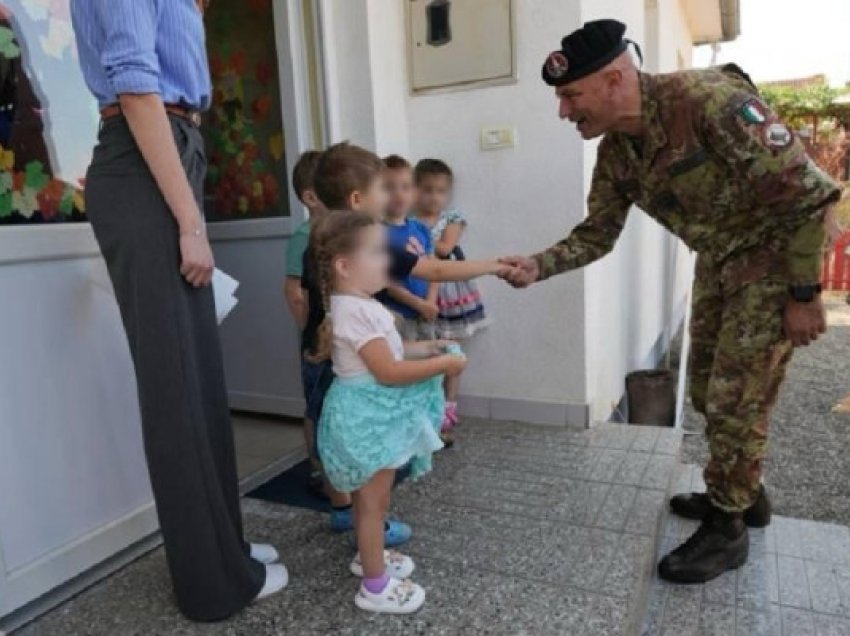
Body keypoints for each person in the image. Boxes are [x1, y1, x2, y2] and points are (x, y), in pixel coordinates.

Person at [501, 19, 840, 584]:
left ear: (612, 80)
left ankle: (728, 527)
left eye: (570, 96)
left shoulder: (707, 100)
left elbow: (807, 195)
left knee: (738, 398)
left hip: (778, 255)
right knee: (707, 387)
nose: (564, 112)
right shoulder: (617, 154)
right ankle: (742, 492)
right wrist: (539, 266)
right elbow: (596, 234)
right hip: (722, 258)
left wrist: (804, 294)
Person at [70, 0, 286, 621]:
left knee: (199, 382)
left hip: (165, 152)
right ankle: (212, 585)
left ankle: (227, 550)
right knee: (176, 389)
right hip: (144, 159)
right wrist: (189, 221)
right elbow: (137, 87)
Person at [301, 142, 508, 543]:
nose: (393, 197)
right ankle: (366, 528)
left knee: (341, 436)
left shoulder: (327, 235)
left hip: (337, 343)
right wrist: (495, 266)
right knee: (361, 444)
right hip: (351, 350)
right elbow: (430, 268)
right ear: (359, 198)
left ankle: (350, 513)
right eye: (383, 187)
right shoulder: (356, 243)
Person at [310, 210, 466, 613]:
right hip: (369, 418)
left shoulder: (357, 305)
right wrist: (444, 365)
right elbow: (390, 371)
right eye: (379, 251)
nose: (389, 260)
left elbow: (390, 353)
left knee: (370, 498)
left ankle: (370, 556)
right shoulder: (359, 311)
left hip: (365, 414)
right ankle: (375, 586)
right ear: (345, 266)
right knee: (373, 503)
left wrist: (430, 348)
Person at [413, 158, 490, 434]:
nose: (434, 196)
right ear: (416, 189)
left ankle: (449, 406)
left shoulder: (451, 218)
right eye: (427, 189)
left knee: (451, 348)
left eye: (440, 190)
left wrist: (416, 239)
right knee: (424, 348)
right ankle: (424, 408)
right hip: (420, 287)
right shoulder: (408, 219)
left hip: (449, 289)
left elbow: (445, 248)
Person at [283, 150, 334, 499]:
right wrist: (311, 334)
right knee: (317, 404)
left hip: (337, 338)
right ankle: (317, 466)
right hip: (317, 340)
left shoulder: (337, 233)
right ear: (311, 197)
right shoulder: (304, 237)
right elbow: (294, 291)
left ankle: (335, 465)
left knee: (334, 402)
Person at [381, 154, 439, 344]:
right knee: (406, 365)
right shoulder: (378, 233)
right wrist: (419, 304)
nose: (398, 194)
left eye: (405, 187)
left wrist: (430, 301)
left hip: (426, 312)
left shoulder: (421, 228)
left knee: (431, 363)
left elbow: (434, 269)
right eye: (389, 188)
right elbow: (388, 283)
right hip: (398, 315)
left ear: (414, 192)